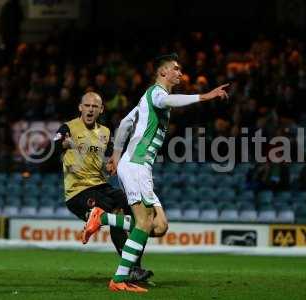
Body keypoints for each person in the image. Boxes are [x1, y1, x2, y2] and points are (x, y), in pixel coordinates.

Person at [82, 53, 229, 292]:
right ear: (163, 72)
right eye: (176, 69)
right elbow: (169, 102)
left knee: (159, 226)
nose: (180, 73)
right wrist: (204, 96)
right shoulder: (157, 94)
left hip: (141, 168)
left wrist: (117, 155)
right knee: (143, 222)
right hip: (137, 166)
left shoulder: (145, 99)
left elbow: (126, 123)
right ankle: (119, 280)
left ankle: (103, 217)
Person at [53, 92, 152, 282]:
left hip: (101, 185)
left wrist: (111, 164)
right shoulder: (69, 127)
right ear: (80, 107)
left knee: (134, 210)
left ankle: (134, 268)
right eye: (87, 105)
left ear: (101, 110)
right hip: (78, 192)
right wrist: (65, 143)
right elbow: (56, 143)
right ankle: (131, 269)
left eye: (94, 106)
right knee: (116, 214)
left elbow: (109, 159)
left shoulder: (105, 132)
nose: (90, 109)